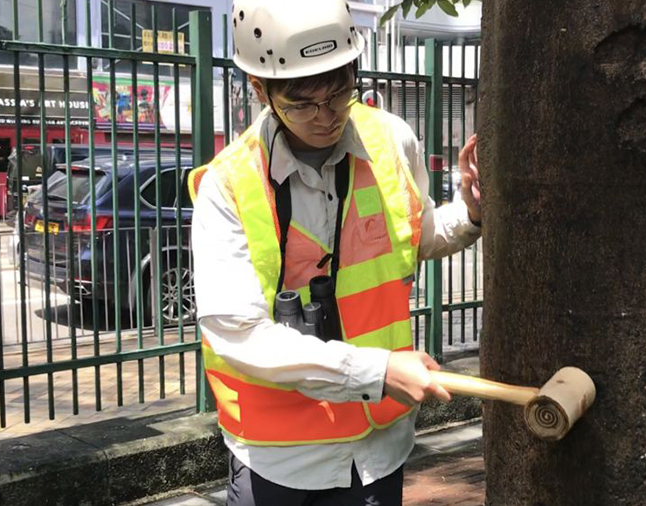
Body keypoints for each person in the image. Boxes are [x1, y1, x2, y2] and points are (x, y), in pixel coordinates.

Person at [188, 0, 482, 504]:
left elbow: (420, 234)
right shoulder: (228, 186)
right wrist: (377, 371)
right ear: (261, 90)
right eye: (302, 102)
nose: (325, 116)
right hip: (280, 458)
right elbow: (237, 334)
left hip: (377, 450)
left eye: (339, 90)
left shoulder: (392, 141)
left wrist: (473, 214)